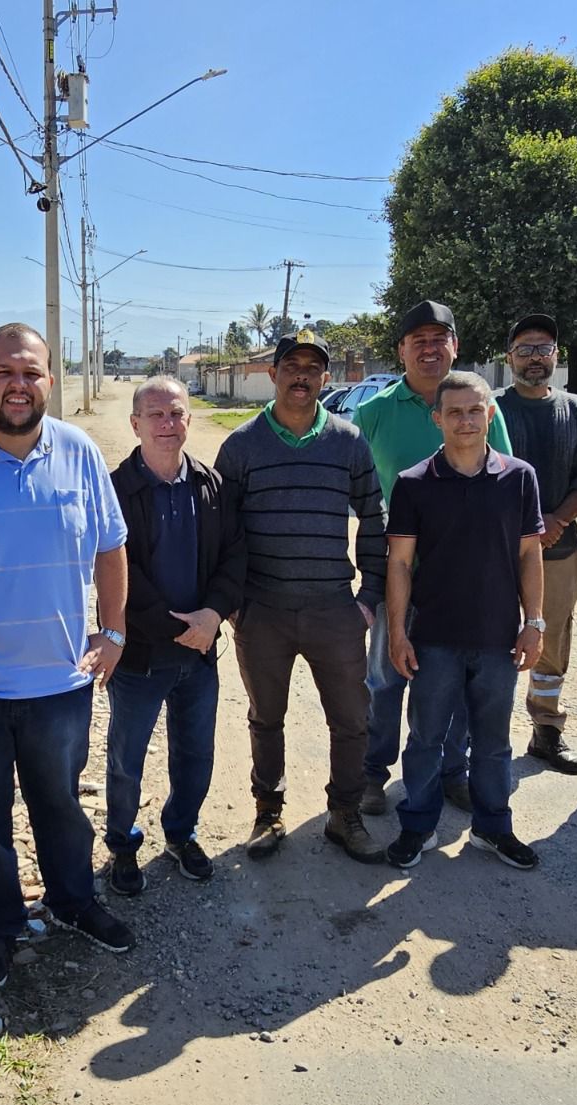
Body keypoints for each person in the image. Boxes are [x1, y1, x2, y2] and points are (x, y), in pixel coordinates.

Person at [0, 323, 135, 989]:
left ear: (49, 380)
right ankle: (1, 926)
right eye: (5, 372)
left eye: (31, 372)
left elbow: (110, 544)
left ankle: (72, 901)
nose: (19, 384)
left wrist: (115, 631)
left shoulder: (80, 451)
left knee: (61, 805)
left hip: (59, 682)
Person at [214, 330, 389, 864]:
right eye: (292, 366)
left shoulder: (348, 440)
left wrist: (370, 595)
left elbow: (374, 520)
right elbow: (221, 529)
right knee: (266, 717)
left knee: (352, 719)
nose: (302, 376)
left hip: (333, 608)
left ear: (325, 378)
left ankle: (345, 814)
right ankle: (268, 812)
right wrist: (233, 600)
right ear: (272, 373)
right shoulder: (242, 445)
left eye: (313, 368)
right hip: (262, 610)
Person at [383, 371, 546, 872]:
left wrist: (534, 621)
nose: (466, 420)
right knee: (426, 738)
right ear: (438, 420)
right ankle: (418, 827)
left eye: (475, 410)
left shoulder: (519, 477)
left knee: (494, 742)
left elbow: (529, 556)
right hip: (434, 639)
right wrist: (397, 632)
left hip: (498, 639)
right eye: (454, 412)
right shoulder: (413, 484)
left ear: (489, 414)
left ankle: (493, 829)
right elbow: (400, 564)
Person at [353, 300, 512, 814]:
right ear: (401, 350)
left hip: (463, 583)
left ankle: (451, 771)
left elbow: (504, 482)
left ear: (455, 347)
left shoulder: (483, 408)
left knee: (459, 685)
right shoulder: (372, 414)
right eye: (417, 339)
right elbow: (350, 494)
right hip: (396, 575)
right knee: (385, 679)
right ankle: (372, 773)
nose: (428, 347)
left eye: (438, 338)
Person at [104, 375, 245, 895]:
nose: (168, 424)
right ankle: (121, 843)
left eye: (177, 413)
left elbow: (235, 555)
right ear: (135, 423)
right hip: (141, 656)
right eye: (156, 415)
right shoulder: (116, 489)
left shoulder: (211, 486)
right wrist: (173, 627)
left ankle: (180, 834)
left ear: (188, 419)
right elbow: (119, 571)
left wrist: (212, 614)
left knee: (195, 754)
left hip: (200, 654)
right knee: (126, 760)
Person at [495, 314, 577, 774]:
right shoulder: (493, 408)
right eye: (525, 350)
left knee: (551, 638)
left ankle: (546, 731)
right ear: (509, 359)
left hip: (559, 546)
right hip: (495, 551)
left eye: (543, 349)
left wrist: (556, 520)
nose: (535, 358)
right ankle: (485, 738)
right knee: (491, 640)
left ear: (555, 356)